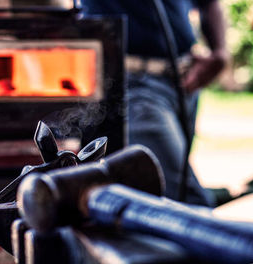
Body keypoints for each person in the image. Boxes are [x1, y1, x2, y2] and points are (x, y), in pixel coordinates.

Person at [81, 0, 229, 206]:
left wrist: (220, 52)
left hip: (183, 80)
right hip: (132, 82)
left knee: (171, 184)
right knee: (184, 198)